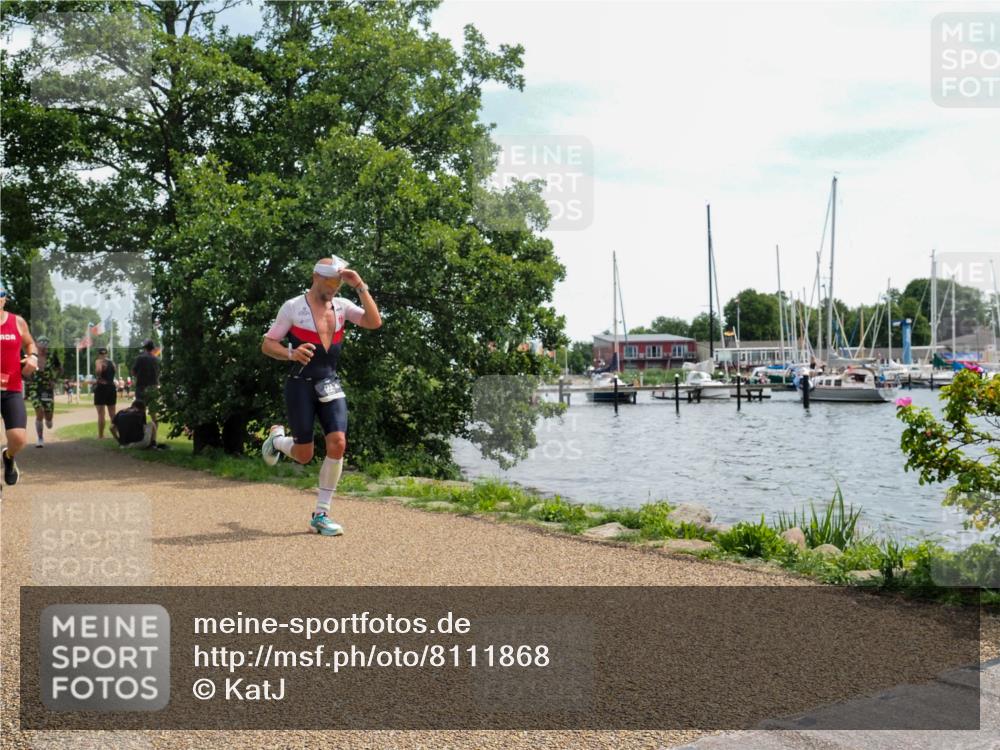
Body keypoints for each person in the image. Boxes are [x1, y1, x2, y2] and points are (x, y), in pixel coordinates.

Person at [260, 256, 381, 536]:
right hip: (300, 384)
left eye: (339, 284)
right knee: (304, 455)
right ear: (315, 277)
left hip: (329, 382)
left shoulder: (341, 306)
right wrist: (290, 353)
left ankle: (321, 514)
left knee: (338, 442)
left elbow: (374, 322)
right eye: (330, 283)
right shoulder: (292, 307)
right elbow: (268, 344)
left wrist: (360, 286)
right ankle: (277, 441)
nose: (335, 289)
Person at [0, 280, 39, 487]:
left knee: (19, 439)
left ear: (4, 298)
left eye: (0, 293)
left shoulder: (17, 322)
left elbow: (30, 343)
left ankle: (8, 457)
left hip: (12, 389)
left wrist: (31, 356)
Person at [25, 336, 61, 447]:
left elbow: (60, 369)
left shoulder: (52, 357)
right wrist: (28, 379)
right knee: (39, 411)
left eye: (46, 344)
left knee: (49, 419)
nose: (44, 346)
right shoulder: (32, 357)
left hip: (47, 388)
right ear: (37, 344)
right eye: (41, 343)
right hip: (34, 387)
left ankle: (48, 420)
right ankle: (40, 438)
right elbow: (25, 371)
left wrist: (54, 380)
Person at [131, 339, 161, 444]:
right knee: (153, 414)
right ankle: (153, 439)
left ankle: (141, 437)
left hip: (141, 387)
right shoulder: (157, 359)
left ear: (144, 348)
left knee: (140, 412)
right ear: (153, 348)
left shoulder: (140, 358)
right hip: (153, 387)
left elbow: (133, 372)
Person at [92, 347, 118, 438]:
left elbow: (99, 370)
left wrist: (98, 377)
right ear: (106, 353)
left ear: (99, 354)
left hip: (102, 388)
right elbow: (114, 372)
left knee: (101, 413)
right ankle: (117, 434)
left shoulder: (99, 361)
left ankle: (101, 435)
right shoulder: (112, 363)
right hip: (111, 387)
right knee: (112, 413)